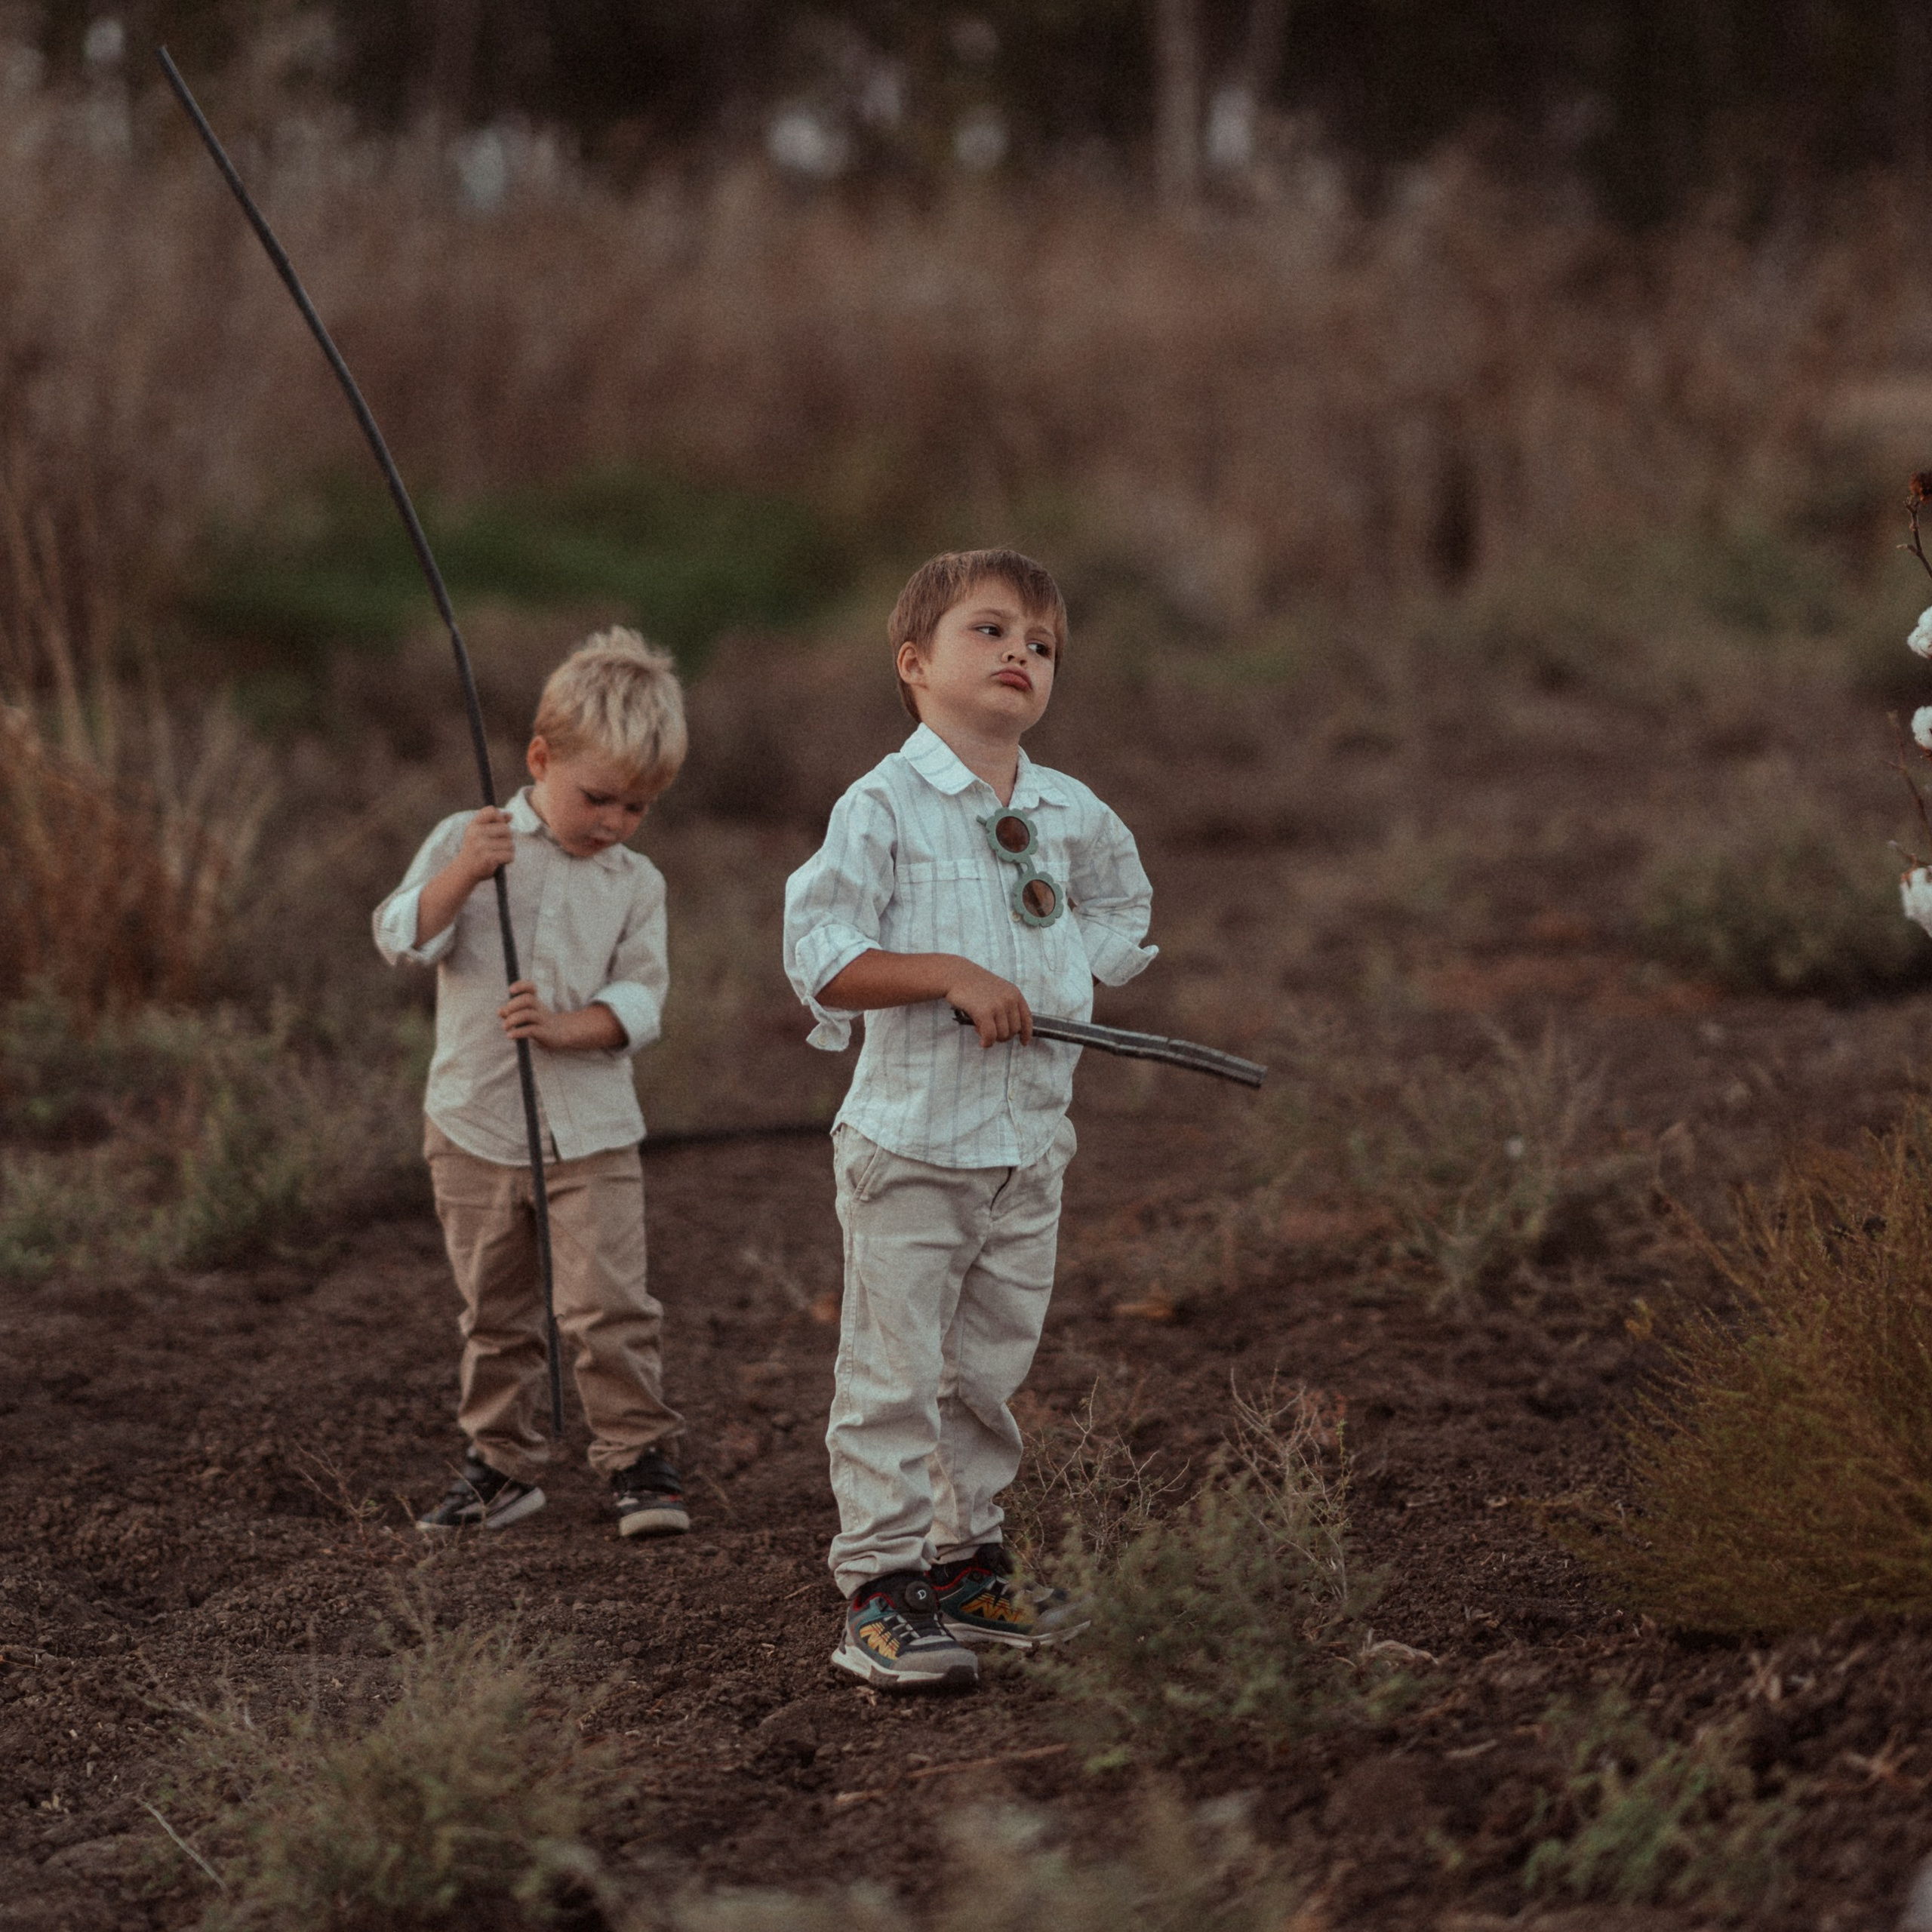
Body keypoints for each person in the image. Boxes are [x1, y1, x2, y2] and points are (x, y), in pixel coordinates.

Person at [783, 549, 1158, 1689]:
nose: (1019, 658)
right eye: (990, 633)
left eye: (1041, 645)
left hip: (1027, 1144)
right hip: (914, 1145)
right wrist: (948, 972)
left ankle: (966, 1566)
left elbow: (1123, 901)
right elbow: (822, 956)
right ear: (915, 664)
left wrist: (1060, 986)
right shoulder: (882, 806)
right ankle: (881, 1592)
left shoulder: (1064, 808)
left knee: (986, 1365)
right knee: (894, 1371)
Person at [374, 627, 691, 1540]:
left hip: (590, 1128)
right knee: (496, 1310)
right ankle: (500, 1468)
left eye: (638, 808)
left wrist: (563, 1028)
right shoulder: (466, 839)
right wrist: (462, 872)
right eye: (597, 797)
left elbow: (641, 998)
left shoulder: (636, 883)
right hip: (472, 1123)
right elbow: (401, 935)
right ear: (540, 759)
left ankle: (637, 1457)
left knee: (607, 1305)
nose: (614, 823)